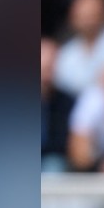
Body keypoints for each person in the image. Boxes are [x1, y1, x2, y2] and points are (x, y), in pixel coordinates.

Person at [42, 38, 75, 172]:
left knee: (53, 166)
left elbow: (63, 143)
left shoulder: (66, 102)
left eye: (50, 66)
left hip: (53, 160)